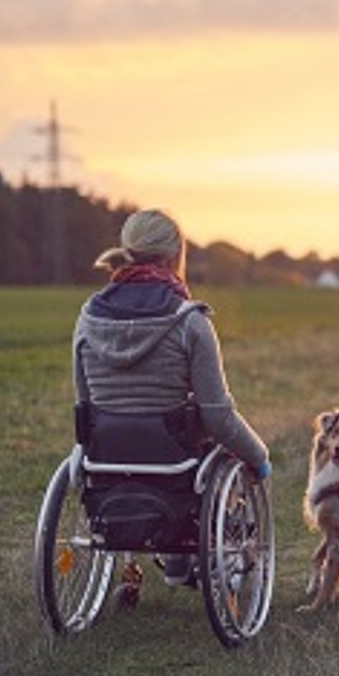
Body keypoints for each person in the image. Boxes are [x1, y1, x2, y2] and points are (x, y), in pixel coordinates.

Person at [73, 208, 271, 586]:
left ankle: (173, 563)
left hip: (106, 456)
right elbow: (218, 416)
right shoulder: (190, 322)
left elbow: (85, 403)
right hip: (174, 461)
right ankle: (184, 562)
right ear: (173, 257)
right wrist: (259, 457)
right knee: (214, 442)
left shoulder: (88, 317)